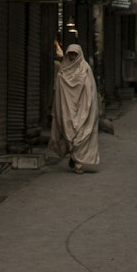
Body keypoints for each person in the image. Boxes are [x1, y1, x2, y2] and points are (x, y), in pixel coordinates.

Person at [49, 43, 99, 174]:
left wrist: (88, 107)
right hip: (67, 108)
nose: (72, 57)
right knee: (68, 130)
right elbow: (59, 89)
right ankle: (74, 156)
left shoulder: (85, 69)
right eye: (70, 54)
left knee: (82, 133)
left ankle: (78, 163)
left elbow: (90, 90)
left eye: (74, 54)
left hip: (83, 107)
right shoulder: (63, 70)